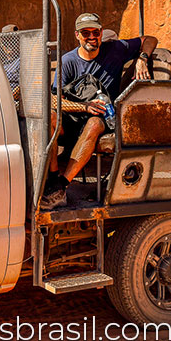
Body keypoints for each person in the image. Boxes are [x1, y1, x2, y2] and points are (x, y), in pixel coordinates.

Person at [41, 12, 157, 207]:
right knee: (50, 117)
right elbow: (54, 100)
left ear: (101, 33)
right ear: (77, 35)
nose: (92, 37)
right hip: (74, 115)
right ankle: (52, 177)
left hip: (101, 117)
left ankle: (62, 186)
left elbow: (150, 39)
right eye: (86, 33)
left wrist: (142, 58)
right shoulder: (68, 61)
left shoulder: (115, 49)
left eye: (95, 32)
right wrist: (83, 107)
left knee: (95, 123)